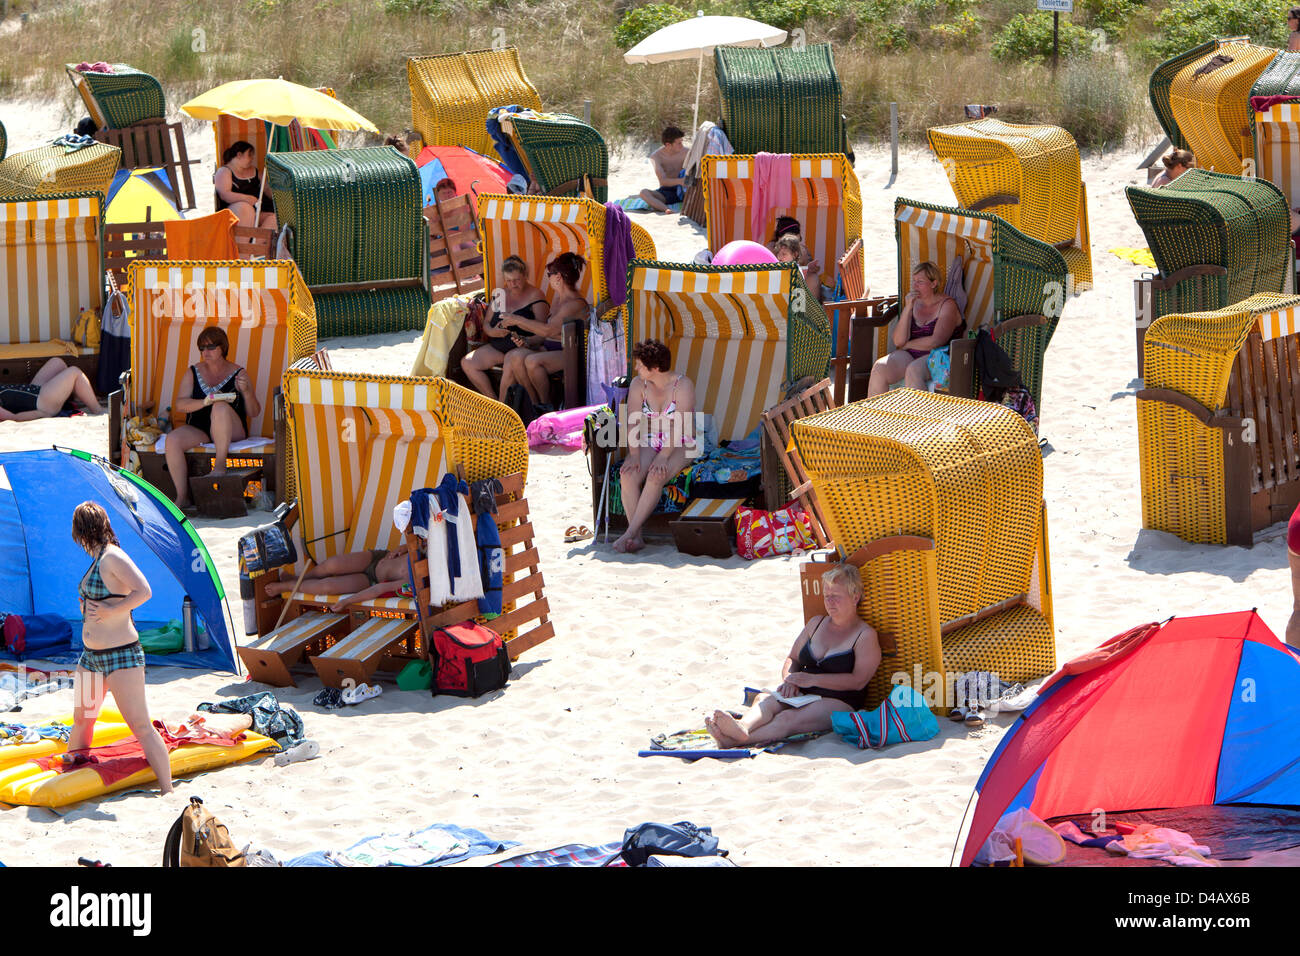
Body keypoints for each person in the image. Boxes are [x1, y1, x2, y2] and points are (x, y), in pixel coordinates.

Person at [705, 564, 881, 747]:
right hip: (804, 691)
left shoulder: (865, 635)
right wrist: (790, 680)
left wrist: (811, 680)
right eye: (827, 596)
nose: (829, 602)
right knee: (765, 700)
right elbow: (793, 658)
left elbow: (858, 681)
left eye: (836, 597)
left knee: (788, 718)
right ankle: (743, 726)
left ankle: (739, 740)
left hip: (840, 701)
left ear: (855, 597)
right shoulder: (816, 623)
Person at [64, 501, 173, 794]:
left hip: (121, 656)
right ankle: (72, 779)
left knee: (140, 724)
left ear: (82, 531)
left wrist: (112, 611)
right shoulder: (98, 557)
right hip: (91, 658)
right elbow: (106, 599)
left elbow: (144, 591)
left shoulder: (112, 557)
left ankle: (168, 790)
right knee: (82, 719)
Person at [163, 326, 261, 513]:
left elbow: (254, 412)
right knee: (173, 439)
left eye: (210, 347)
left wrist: (247, 392)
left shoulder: (238, 372)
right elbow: (180, 405)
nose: (204, 352)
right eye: (201, 348)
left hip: (232, 430)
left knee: (220, 406)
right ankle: (182, 496)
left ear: (222, 348)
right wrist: (204, 401)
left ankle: (220, 464)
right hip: (201, 428)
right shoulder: (193, 371)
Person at [613, 339, 697, 554]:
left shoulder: (682, 385)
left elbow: (680, 426)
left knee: (655, 476)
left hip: (682, 442)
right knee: (628, 475)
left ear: (656, 368)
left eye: (640, 365)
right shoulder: (638, 384)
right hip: (652, 439)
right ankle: (637, 537)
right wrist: (633, 454)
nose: (636, 368)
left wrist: (662, 457)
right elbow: (632, 419)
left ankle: (630, 533)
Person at [502, 252, 588, 413]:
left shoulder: (574, 304)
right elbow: (546, 333)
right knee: (515, 357)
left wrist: (517, 320)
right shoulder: (557, 300)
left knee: (532, 361)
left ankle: (546, 406)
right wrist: (528, 342)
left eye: (549, 274)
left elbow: (549, 330)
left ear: (558, 277)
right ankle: (535, 406)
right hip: (551, 349)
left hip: (571, 353)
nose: (548, 278)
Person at [461, 256, 550, 400]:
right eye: (509, 281)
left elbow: (544, 332)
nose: (513, 285)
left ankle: (503, 409)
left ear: (525, 276)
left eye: (517, 280)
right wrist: (492, 332)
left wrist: (527, 340)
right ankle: (494, 404)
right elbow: (487, 323)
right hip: (499, 346)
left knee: (510, 360)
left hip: (523, 347)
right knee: (467, 363)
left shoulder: (535, 295)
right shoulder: (501, 294)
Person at [867, 261, 963, 396]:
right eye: (914, 281)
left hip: (938, 355)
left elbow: (936, 341)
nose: (915, 286)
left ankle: (917, 416)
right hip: (911, 353)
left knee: (913, 370)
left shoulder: (947, 305)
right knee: (879, 367)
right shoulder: (914, 303)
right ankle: (875, 416)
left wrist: (908, 345)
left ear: (934, 284)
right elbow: (898, 341)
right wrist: (907, 309)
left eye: (920, 282)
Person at [265, 547, 410, 614]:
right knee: (332, 564)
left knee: (327, 587)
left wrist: (347, 601)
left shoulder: (414, 580)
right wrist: (402, 548)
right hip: (377, 558)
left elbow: (379, 589)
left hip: (371, 580)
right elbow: (412, 539)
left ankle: (290, 585)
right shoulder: (424, 548)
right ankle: (299, 578)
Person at [0, 356, 102, 422]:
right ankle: (97, 410)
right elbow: (13, 418)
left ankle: (79, 395)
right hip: (42, 403)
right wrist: (40, 414)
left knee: (57, 362)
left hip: (33, 391)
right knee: (74, 372)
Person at [214, 140, 276, 231]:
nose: (252, 158)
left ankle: (256, 243)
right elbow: (224, 195)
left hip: (259, 210)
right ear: (239, 155)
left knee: (274, 219)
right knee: (245, 208)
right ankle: (243, 242)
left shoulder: (254, 171)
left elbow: (266, 188)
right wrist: (247, 199)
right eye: (249, 155)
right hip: (237, 211)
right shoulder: (224, 171)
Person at [639, 126, 688, 214]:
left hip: (685, 190)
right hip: (667, 191)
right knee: (643, 193)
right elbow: (663, 181)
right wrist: (681, 181)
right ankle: (666, 209)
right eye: (679, 143)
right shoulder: (656, 157)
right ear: (668, 145)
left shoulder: (687, 152)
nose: (682, 145)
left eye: (682, 142)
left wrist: (684, 183)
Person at [774, 234, 822, 302]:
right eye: (778, 254)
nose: (779, 257)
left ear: (794, 255)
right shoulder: (778, 270)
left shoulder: (798, 271)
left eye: (784, 254)